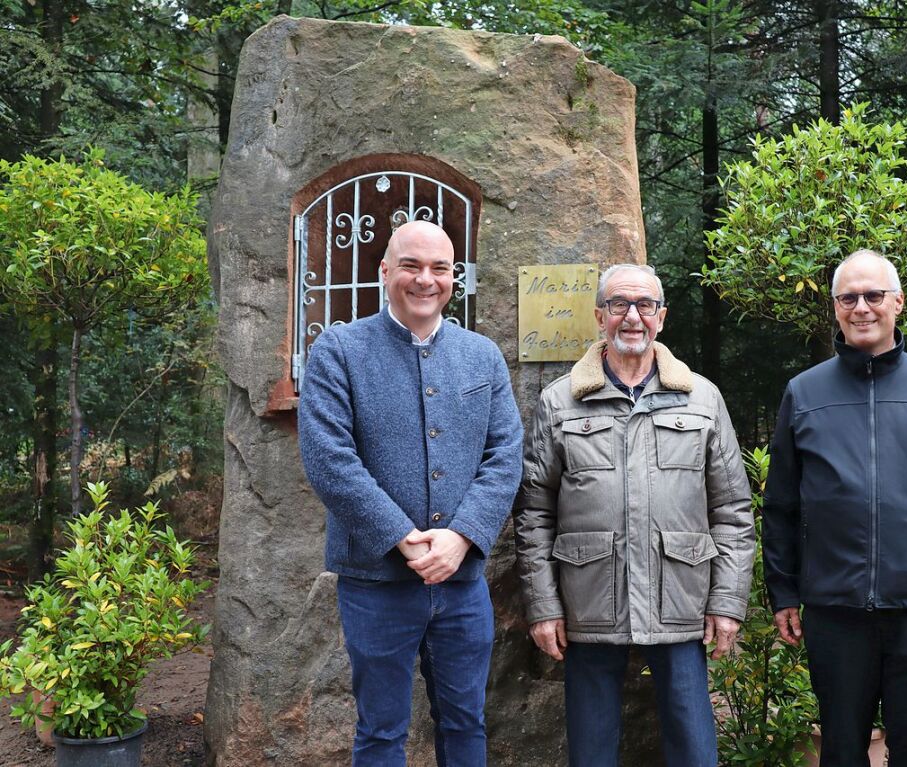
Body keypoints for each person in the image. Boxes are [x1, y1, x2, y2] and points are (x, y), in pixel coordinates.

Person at [298, 220, 523, 766]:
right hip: (376, 583)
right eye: (412, 266)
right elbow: (329, 461)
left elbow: (506, 455)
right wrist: (402, 537)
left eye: (440, 269)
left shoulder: (482, 356)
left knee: (466, 722)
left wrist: (463, 537)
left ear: (454, 277)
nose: (426, 280)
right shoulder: (338, 351)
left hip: (462, 582)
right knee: (380, 731)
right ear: (385, 272)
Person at [514, 263, 755, 767]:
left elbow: (731, 510)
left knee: (694, 747)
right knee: (592, 750)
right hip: (588, 604)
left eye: (645, 305)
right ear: (599, 315)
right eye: (619, 304)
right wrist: (544, 605)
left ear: (661, 317)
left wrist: (728, 602)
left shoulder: (701, 397)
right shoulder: (559, 402)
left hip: (681, 601)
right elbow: (534, 513)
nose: (632, 316)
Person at [762, 249, 907, 767]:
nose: (861, 307)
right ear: (835, 307)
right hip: (835, 611)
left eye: (873, 295)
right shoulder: (803, 394)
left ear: (898, 303)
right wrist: (783, 590)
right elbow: (779, 505)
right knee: (842, 751)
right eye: (848, 297)